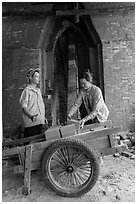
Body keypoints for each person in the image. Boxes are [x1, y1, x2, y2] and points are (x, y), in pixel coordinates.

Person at [19, 68, 48, 138]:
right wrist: (31, 116)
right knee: (31, 143)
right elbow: (24, 107)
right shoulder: (27, 91)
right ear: (31, 78)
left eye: (39, 77)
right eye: (36, 77)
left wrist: (43, 117)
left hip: (39, 122)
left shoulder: (38, 91)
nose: (38, 79)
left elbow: (40, 105)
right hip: (32, 124)